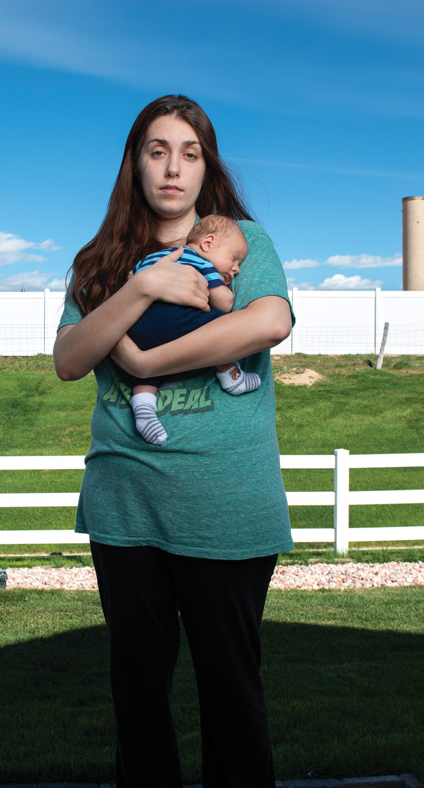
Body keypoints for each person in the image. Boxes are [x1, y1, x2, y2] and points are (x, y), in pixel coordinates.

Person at [54, 94, 294, 788]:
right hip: (126, 507)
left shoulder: (242, 242)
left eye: (190, 154)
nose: (172, 168)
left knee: (232, 696)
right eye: (157, 151)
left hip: (227, 505)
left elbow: (269, 322)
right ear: (135, 163)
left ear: (206, 167)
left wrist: (143, 362)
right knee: (138, 699)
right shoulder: (100, 262)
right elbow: (69, 358)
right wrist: (144, 287)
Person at [127, 214, 260, 446]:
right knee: (221, 324)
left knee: (146, 374)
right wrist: (224, 287)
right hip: (173, 319)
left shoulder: (153, 258)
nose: (236, 269)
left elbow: (131, 282)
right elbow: (224, 303)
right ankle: (232, 376)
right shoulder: (200, 262)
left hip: (137, 327)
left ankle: (144, 408)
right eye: (234, 258)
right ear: (208, 243)